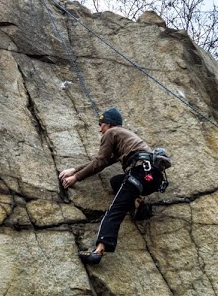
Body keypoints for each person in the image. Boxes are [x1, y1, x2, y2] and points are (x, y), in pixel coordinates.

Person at [59, 108, 165, 265]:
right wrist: (75, 169)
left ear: (108, 124)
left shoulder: (111, 133)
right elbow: (105, 161)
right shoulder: (126, 138)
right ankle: (138, 205)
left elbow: (100, 162)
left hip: (138, 173)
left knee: (115, 211)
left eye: (101, 124)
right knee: (116, 182)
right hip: (153, 179)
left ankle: (98, 251)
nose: (99, 129)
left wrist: (75, 178)